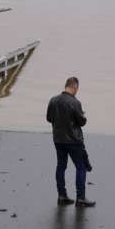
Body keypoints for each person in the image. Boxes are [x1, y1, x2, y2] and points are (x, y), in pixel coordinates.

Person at [46, 77, 95, 207]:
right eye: (77, 89)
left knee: (61, 166)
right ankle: (80, 198)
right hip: (74, 141)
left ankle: (62, 196)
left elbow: (49, 118)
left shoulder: (53, 100)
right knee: (81, 167)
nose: (77, 91)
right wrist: (83, 116)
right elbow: (81, 122)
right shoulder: (75, 103)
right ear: (74, 87)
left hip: (58, 139)